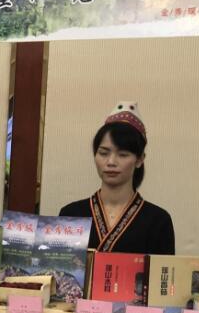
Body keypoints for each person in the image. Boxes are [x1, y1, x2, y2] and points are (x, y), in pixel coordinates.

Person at [59, 102, 174, 255]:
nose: (111, 162)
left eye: (123, 154)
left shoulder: (158, 221)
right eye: (103, 153)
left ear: (140, 159)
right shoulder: (71, 214)